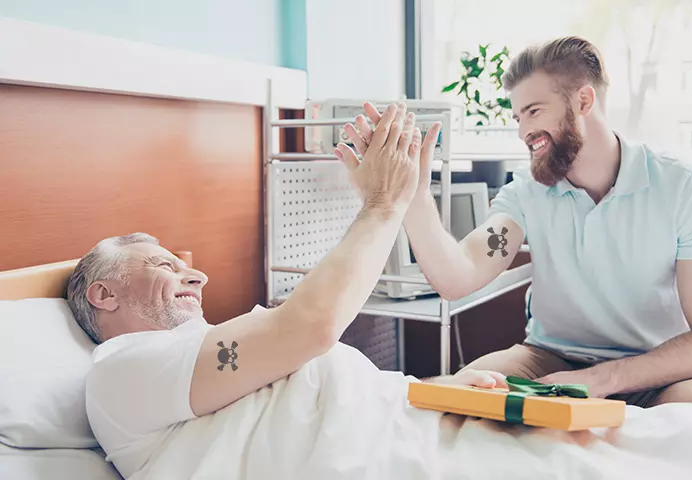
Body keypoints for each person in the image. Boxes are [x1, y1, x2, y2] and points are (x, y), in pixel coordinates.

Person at [66, 103, 505, 479]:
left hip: (417, 434)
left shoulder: (215, 354)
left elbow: (325, 394)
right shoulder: (119, 373)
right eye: (164, 265)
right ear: (104, 295)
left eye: (187, 268)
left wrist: (434, 390)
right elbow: (311, 329)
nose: (198, 278)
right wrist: (385, 202)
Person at [338, 36, 692, 408]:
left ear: (583, 100)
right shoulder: (526, 191)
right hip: (549, 360)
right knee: (463, 395)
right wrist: (415, 198)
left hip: (656, 370)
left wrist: (603, 379)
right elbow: (458, 277)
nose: (523, 131)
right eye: (518, 116)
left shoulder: (685, 188)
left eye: (534, 111)